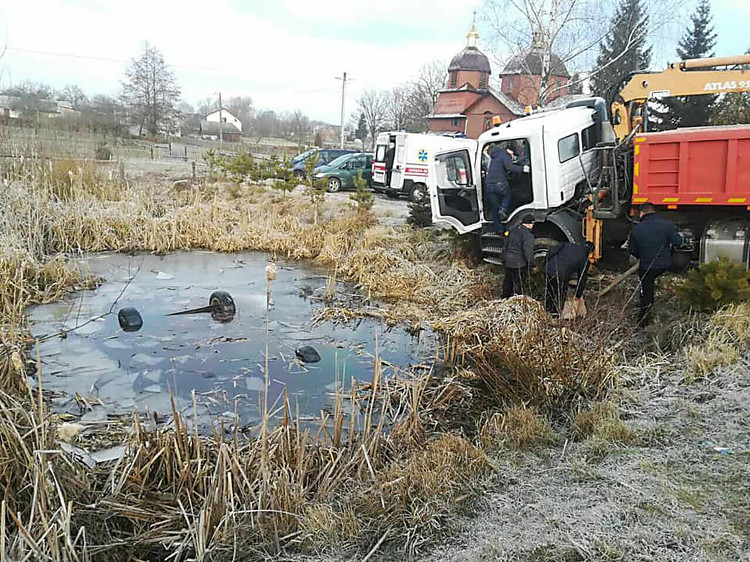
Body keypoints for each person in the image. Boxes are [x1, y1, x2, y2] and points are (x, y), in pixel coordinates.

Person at [629, 202, 683, 326]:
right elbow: (678, 242)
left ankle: (643, 321)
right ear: (653, 211)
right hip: (665, 265)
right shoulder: (667, 225)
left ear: (642, 213)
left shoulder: (636, 229)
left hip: (647, 267)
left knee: (647, 290)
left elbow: (632, 250)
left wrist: (642, 256)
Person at [485, 144, 529, 231]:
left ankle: (499, 229)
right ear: (509, 150)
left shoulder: (493, 158)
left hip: (489, 184)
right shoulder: (503, 154)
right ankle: (503, 209)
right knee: (508, 194)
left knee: (494, 207)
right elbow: (510, 167)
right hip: (500, 183)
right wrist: (523, 169)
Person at [545, 241, 594, 317]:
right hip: (561, 275)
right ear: (590, 252)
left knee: (549, 292)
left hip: (549, 269)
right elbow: (582, 279)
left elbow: (551, 252)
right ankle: (554, 316)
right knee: (558, 295)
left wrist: (545, 263)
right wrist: (578, 295)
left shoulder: (567, 244)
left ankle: (546, 311)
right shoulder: (584, 260)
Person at [502, 214, 536, 298]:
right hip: (519, 263)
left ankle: (504, 298)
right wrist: (532, 265)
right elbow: (528, 252)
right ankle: (518, 300)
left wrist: (503, 258)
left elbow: (505, 245)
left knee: (508, 282)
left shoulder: (513, 230)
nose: (532, 226)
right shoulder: (528, 235)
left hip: (508, 261)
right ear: (529, 224)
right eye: (532, 224)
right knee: (519, 284)